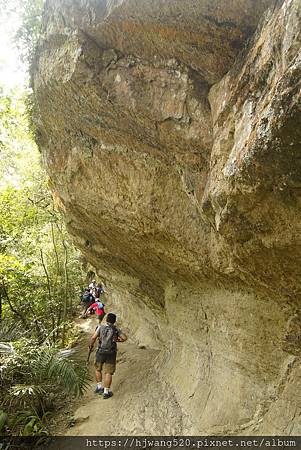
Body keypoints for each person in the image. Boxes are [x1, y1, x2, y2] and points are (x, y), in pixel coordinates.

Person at [89, 313, 127, 399]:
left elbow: (93, 338)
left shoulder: (100, 327)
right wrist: (117, 340)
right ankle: (106, 392)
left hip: (100, 351)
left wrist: (90, 346)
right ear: (114, 321)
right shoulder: (116, 329)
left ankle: (99, 387)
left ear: (106, 319)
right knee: (108, 372)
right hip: (111, 352)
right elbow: (124, 338)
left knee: (98, 369)